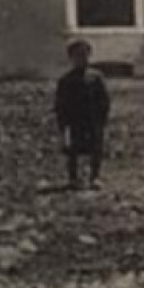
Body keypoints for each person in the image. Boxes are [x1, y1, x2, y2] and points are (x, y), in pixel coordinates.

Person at [55, 38, 111, 190]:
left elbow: (104, 99)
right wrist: (62, 122)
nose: (82, 59)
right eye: (78, 56)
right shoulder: (66, 80)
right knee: (73, 148)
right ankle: (73, 178)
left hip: (92, 118)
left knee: (96, 148)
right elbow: (60, 103)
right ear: (71, 58)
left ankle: (95, 177)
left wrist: (103, 117)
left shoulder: (96, 77)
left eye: (84, 55)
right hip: (75, 119)